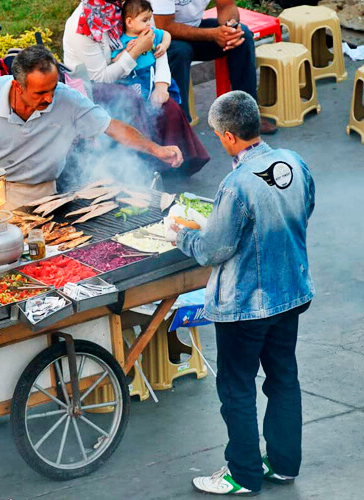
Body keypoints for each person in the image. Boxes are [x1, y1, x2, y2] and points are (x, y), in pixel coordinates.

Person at [172, 91, 314, 495]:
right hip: (291, 290)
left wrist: (181, 233)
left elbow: (214, 249)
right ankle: (284, 464)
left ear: (229, 136)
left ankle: (243, 473)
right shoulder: (294, 162)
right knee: (283, 377)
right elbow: (305, 208)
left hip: (247, 305)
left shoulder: (236, 184)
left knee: (236, 386)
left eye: (218, 135)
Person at [0, 44, 183, 213]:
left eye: (53, 88)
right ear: (18, 86)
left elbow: (112, 127)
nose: (49, 98)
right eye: (40, 93)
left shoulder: (67, 99)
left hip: (40, 194)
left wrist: (156, 149)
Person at [63, 0, 210, 175]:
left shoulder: (131, 7)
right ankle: (144, 170)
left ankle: (178, 164)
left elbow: (155, 45)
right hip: (94, 87)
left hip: (132, 74)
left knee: (168, 105)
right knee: (131, 100)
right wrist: (136, 51)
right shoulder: (82, 25)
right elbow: (101, 78)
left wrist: (162, 84)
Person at [152, 0, 278, 134]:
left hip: (193, 28)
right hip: (159, 39)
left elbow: (227, 5)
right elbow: (165, 27)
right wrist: (213, 34)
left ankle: (246, 117)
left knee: (243, 37)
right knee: (180, 52)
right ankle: (179, 130)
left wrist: (231, 28)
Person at [111, 0, 173, 105]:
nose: (149, 23)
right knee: (141, 103)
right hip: (134, 77)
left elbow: (166, 34)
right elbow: (115, 60)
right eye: (144, 20)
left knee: (164, 100)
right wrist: (127, 50)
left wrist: (164, 45)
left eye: (149, 19)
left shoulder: (151, 32)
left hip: (153, 72)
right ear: (129, 22)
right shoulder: (123, 41)